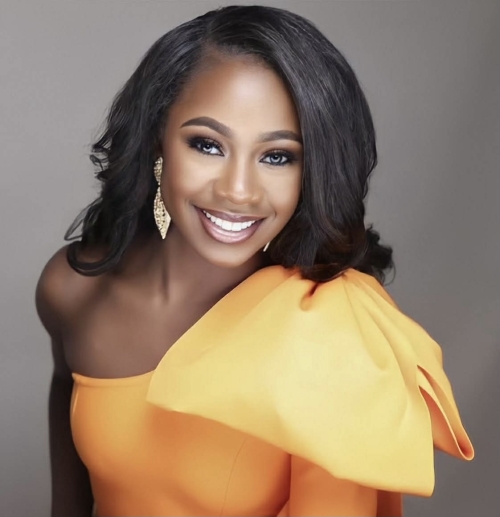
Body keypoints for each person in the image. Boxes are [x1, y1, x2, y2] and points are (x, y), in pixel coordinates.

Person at [35, 5, 474, 517]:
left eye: (277, 156)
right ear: (158, 140)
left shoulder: (334, 339)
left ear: (315, 169)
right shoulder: (74, 290)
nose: (238, 191)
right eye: (207, 145)